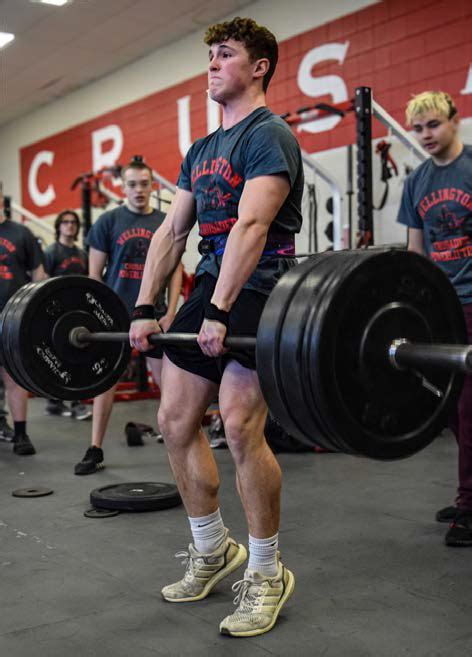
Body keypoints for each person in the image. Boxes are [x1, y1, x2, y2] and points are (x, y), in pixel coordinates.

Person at [130, 17, 304, 637]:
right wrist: (146, 307)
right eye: (208, 55)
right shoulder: (202, 151)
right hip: (212, 287)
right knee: (174, 421)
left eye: (224, 54)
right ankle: (213, 548)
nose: (211, 64)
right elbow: (173, 232)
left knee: (239, 424)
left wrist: (222, 312)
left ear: (258, 66)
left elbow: (253, 229)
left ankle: (266, 570)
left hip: (263, 286)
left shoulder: (270, 134)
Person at [74, 156, 182, 475]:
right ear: (123, 187)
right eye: (132, 184)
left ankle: (179, 447)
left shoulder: (165, 221)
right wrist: (96, 317)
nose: (139, 190)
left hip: (154, 315)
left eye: (144, 184)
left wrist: (172, 311)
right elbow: (93, 276)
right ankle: (95, 449)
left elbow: (175, 269)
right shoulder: (107, 222)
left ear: (152, 186)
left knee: (169, 385)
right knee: (105, 384)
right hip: (114, 317)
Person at [397, 90, 472, 547]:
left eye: (433, 124)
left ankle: (468, 506)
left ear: (453, 120)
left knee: (468, 407)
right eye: (419, 128)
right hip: (440, 306)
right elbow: (413, 251)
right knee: (443, 404)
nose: (426, 134)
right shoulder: (416, 182)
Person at [0, 188, 46, 455]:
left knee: (13, 376)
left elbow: (38, 273)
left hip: (12, 318)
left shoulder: (21, 233)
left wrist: (37, 311)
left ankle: (20, 434)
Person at [43, 209, 91, 421]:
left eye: (73, 222)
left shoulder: (82, 254)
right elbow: (42, 283)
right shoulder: (51, 252)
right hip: (55, 313)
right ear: (59, 226)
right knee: (56, 357)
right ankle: (55, 400)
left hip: (77, 313)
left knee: (77, 356)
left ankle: (76, 401)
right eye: (65, 222)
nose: (70, 225)